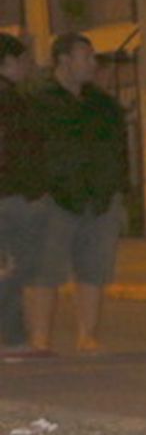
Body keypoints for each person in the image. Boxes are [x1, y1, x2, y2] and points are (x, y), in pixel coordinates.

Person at [24, 32, 129, 355]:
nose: (93, 63)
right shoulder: (37, 101)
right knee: (45, 271)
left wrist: (118, 192)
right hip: (53, 199)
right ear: (63, 60)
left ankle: (88, 336)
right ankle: (40, 338)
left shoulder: (102, 104)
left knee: (94, 270)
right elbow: (22, 150)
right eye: (86, 56)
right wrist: (33, 191)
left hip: (98, 199)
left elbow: (119, 149)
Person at [0, 33, 48, 358]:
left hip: (16, 193)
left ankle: (15, 336)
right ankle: (12, 336)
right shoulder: (11, 100)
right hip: (11, 195)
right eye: (23, 60)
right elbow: (21, 149)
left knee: (13, 267)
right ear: (9, 62)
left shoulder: (15, 97)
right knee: (14, 267)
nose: (29, 66)